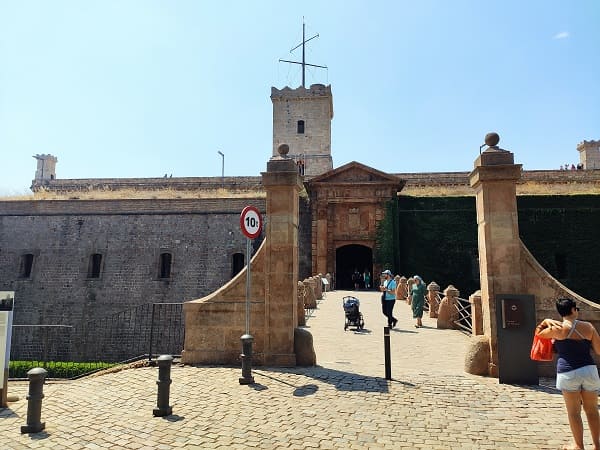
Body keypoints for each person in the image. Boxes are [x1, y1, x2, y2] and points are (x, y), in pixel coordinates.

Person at [536, 298, 600, 450]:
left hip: (568, 372)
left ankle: (578, 445)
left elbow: (538, 334)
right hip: (588, 370)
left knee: (574, 412)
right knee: (592, 410)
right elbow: (599, 350)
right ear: (573, 310)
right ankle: (597, 445)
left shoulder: (555, 329)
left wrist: (545, 321)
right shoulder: (588, 327)